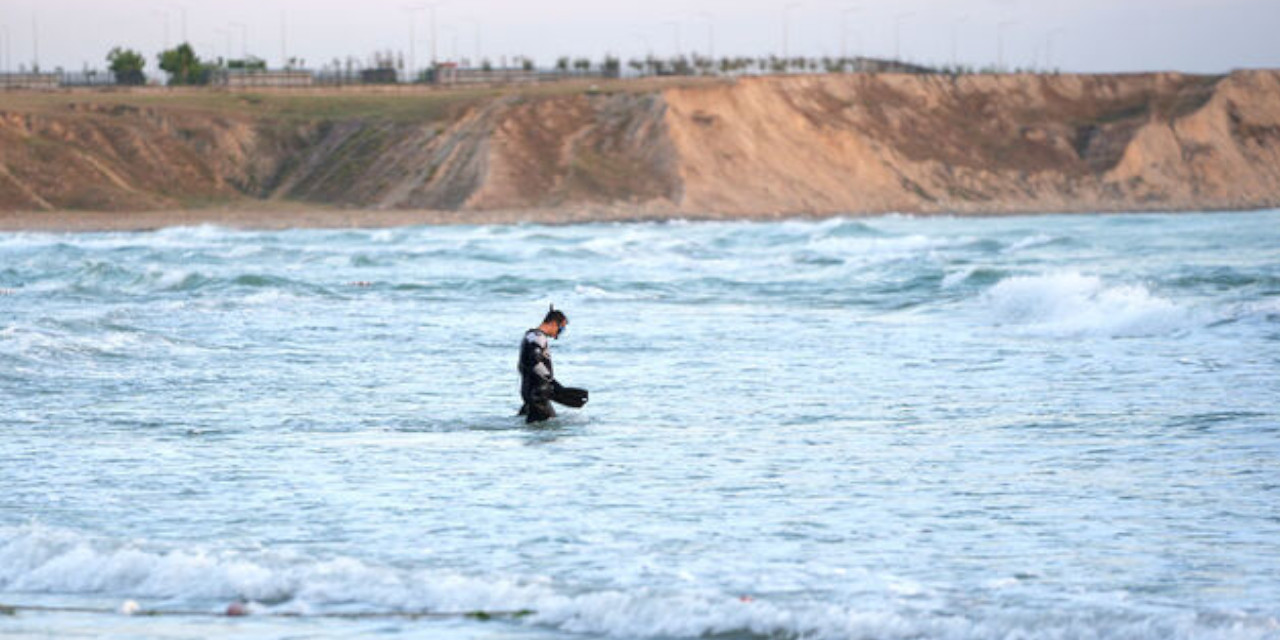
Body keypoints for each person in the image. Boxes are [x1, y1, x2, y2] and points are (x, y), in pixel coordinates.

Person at [517, 305, 587, 423]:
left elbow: (523, 365)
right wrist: (552, 382)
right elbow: (535, 362)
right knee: (545, 432)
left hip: (530, 390)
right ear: (554, 323)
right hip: (538, 394)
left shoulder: (530, 336)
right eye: (561, 328)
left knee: (532, 428)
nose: (560, 333)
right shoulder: (538, 338)